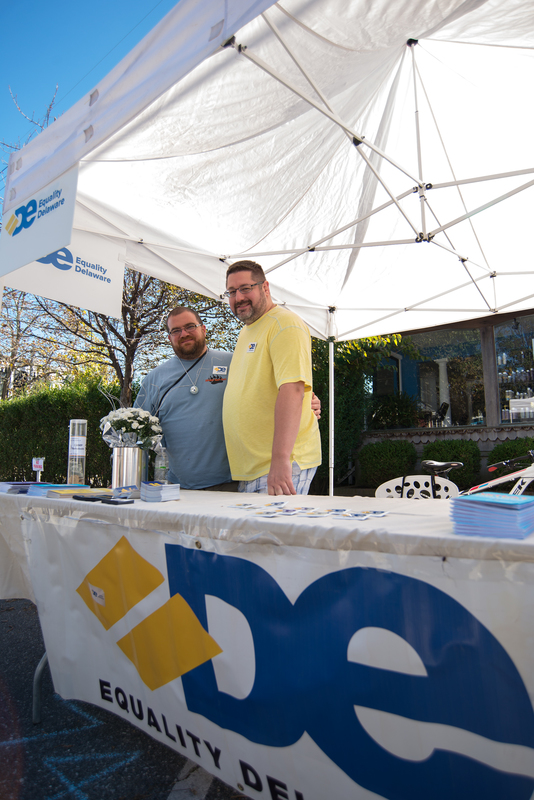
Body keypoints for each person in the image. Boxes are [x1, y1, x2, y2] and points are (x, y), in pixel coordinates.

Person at [222, 260, 321, 495]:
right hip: (255, 467)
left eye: (246, 288)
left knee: (269, 533)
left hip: (279, 466)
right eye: (232, 292)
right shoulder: (247, 331)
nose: (238, 297)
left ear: (265, 287)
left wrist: (280, 459)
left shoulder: (285, 324)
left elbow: (293, 390)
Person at [134, 306, 235, 490]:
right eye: (176, 331)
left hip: (231, 485)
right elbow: (135, 434)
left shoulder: (232, 363)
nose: (184, 334)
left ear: (203, 329)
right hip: (178, 489)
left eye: (190, 326)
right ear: (169, 338)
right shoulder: (154, 379)